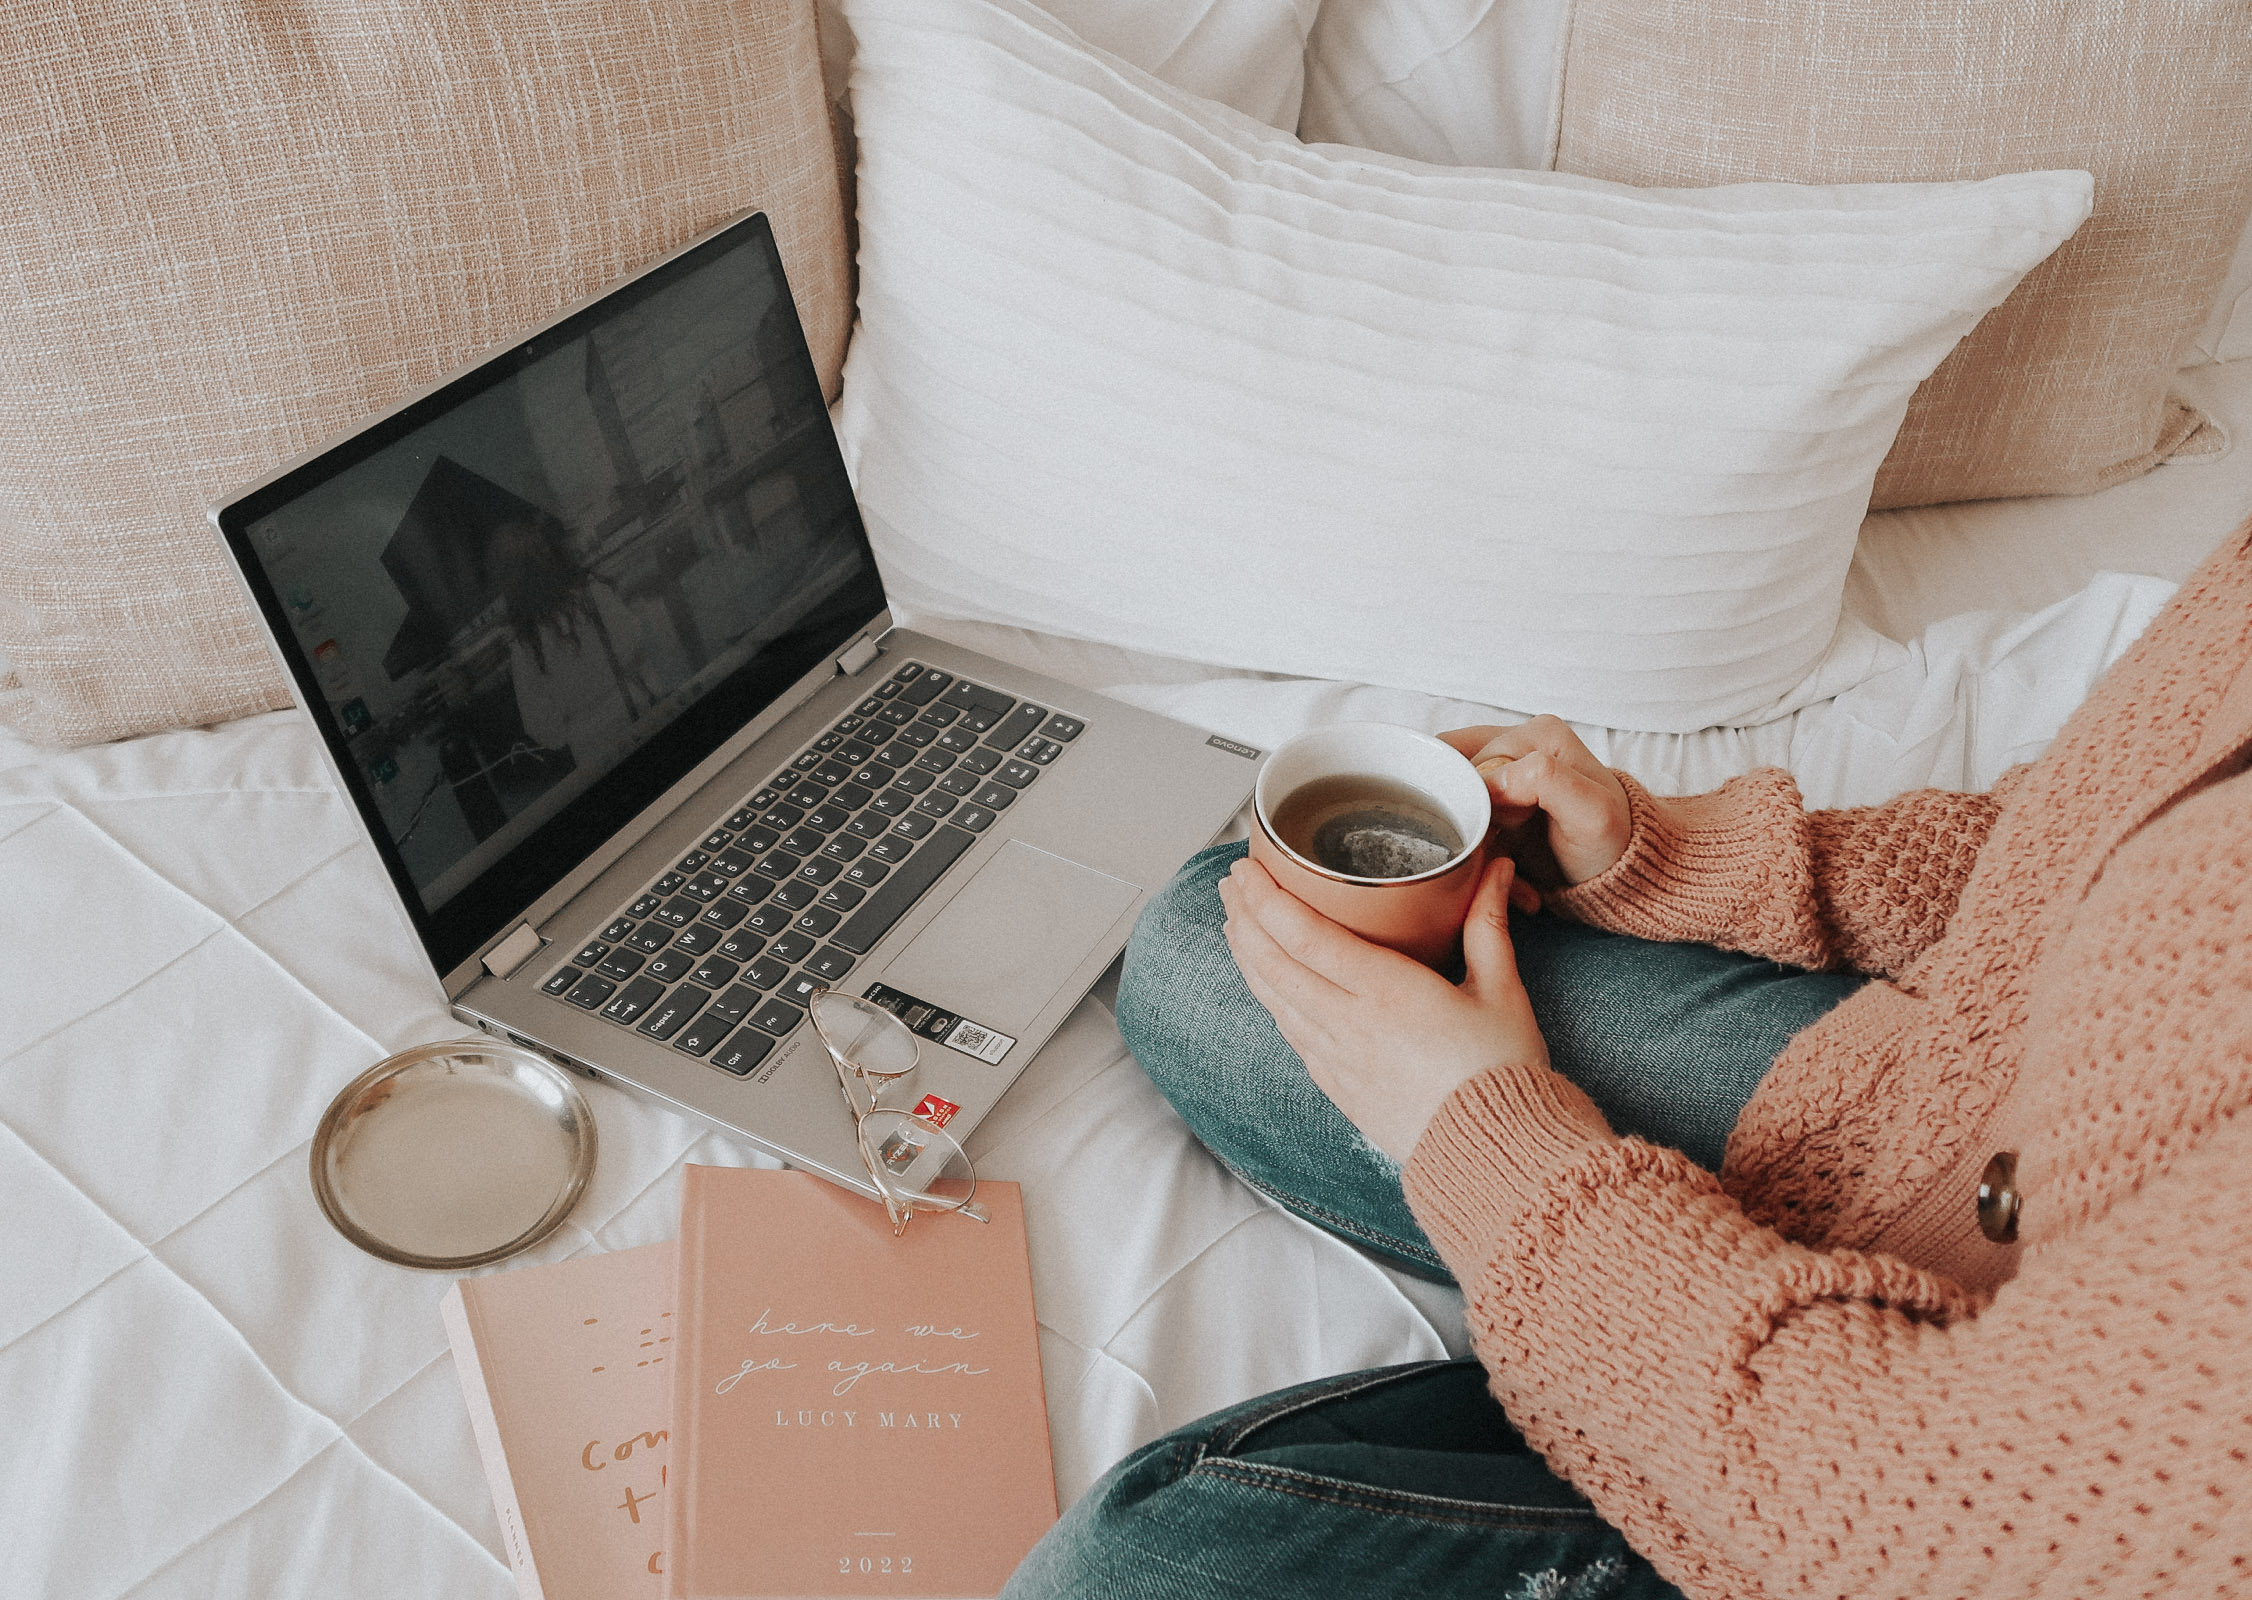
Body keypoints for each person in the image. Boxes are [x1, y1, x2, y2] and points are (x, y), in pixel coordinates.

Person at [1004, 521, 2252, 1599]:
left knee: (1133, 1569)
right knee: (1211, 936)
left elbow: (1972, 1526)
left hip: (1907, 1494)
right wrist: (1669, 861)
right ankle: (1616, 1367)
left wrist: (1488, 1139)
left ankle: (1625, 1400)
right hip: (1929, 1107)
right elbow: (2072, 848)